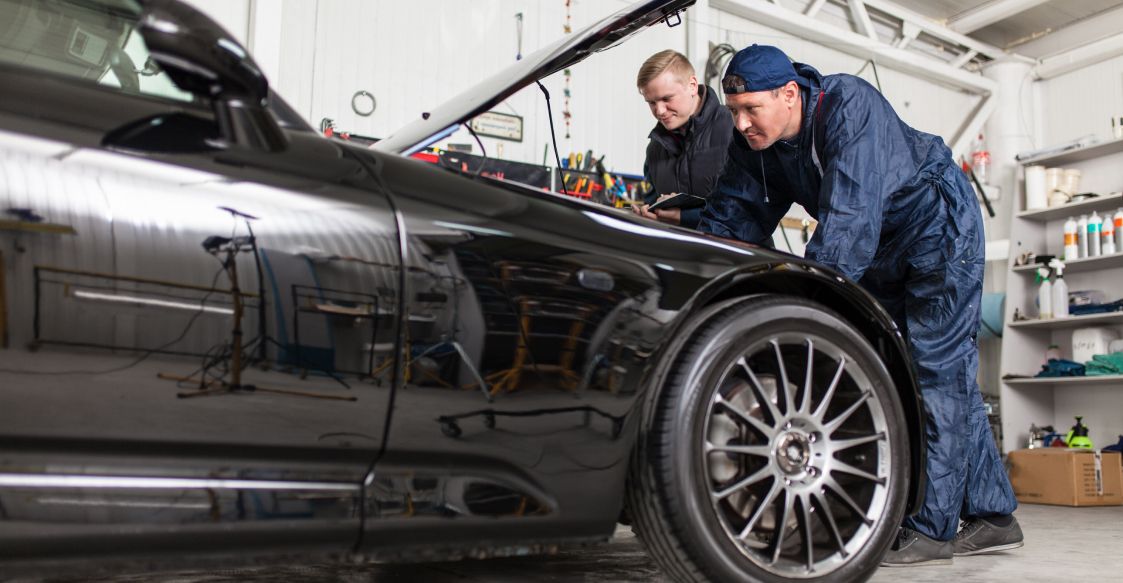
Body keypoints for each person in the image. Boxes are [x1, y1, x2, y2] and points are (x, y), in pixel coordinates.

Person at [697, 44, 1022, 566]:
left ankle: (934, 529)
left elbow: (848, 224)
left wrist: (803, 311)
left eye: (750, 109)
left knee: (935, 367)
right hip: (883, 244)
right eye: (732, 111)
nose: (740, 123)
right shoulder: (757, 143)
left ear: (788, 95)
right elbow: (735, 217)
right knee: (917, 371)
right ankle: (993, 514)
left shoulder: (849, 106)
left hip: (937, 224)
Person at [632, 50, 733, 229]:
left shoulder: (734, 127)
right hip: (682, 253)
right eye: (652, 102)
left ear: (692, 85)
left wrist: (684, 217)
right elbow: (652, 202)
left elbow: (751, 207)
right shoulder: (655, 148)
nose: (660, 111)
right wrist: (648, 214)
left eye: (666, 98)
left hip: (737, 254)